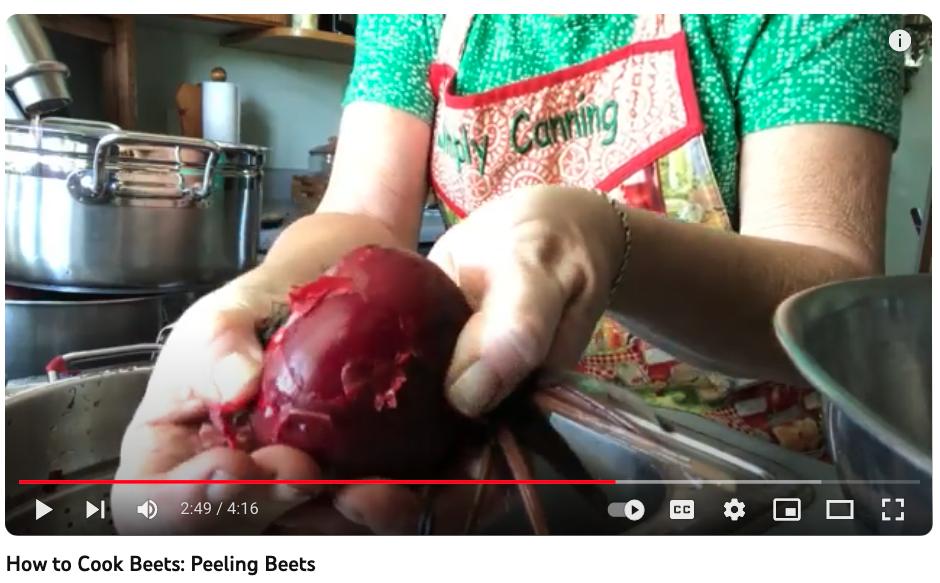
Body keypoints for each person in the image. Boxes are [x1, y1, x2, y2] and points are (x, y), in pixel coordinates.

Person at [112, 14, 903, 535]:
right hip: (505, 466)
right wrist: (255, 301)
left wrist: (608, 242)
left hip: (746, 492)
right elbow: (360, 214)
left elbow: (825, 291)